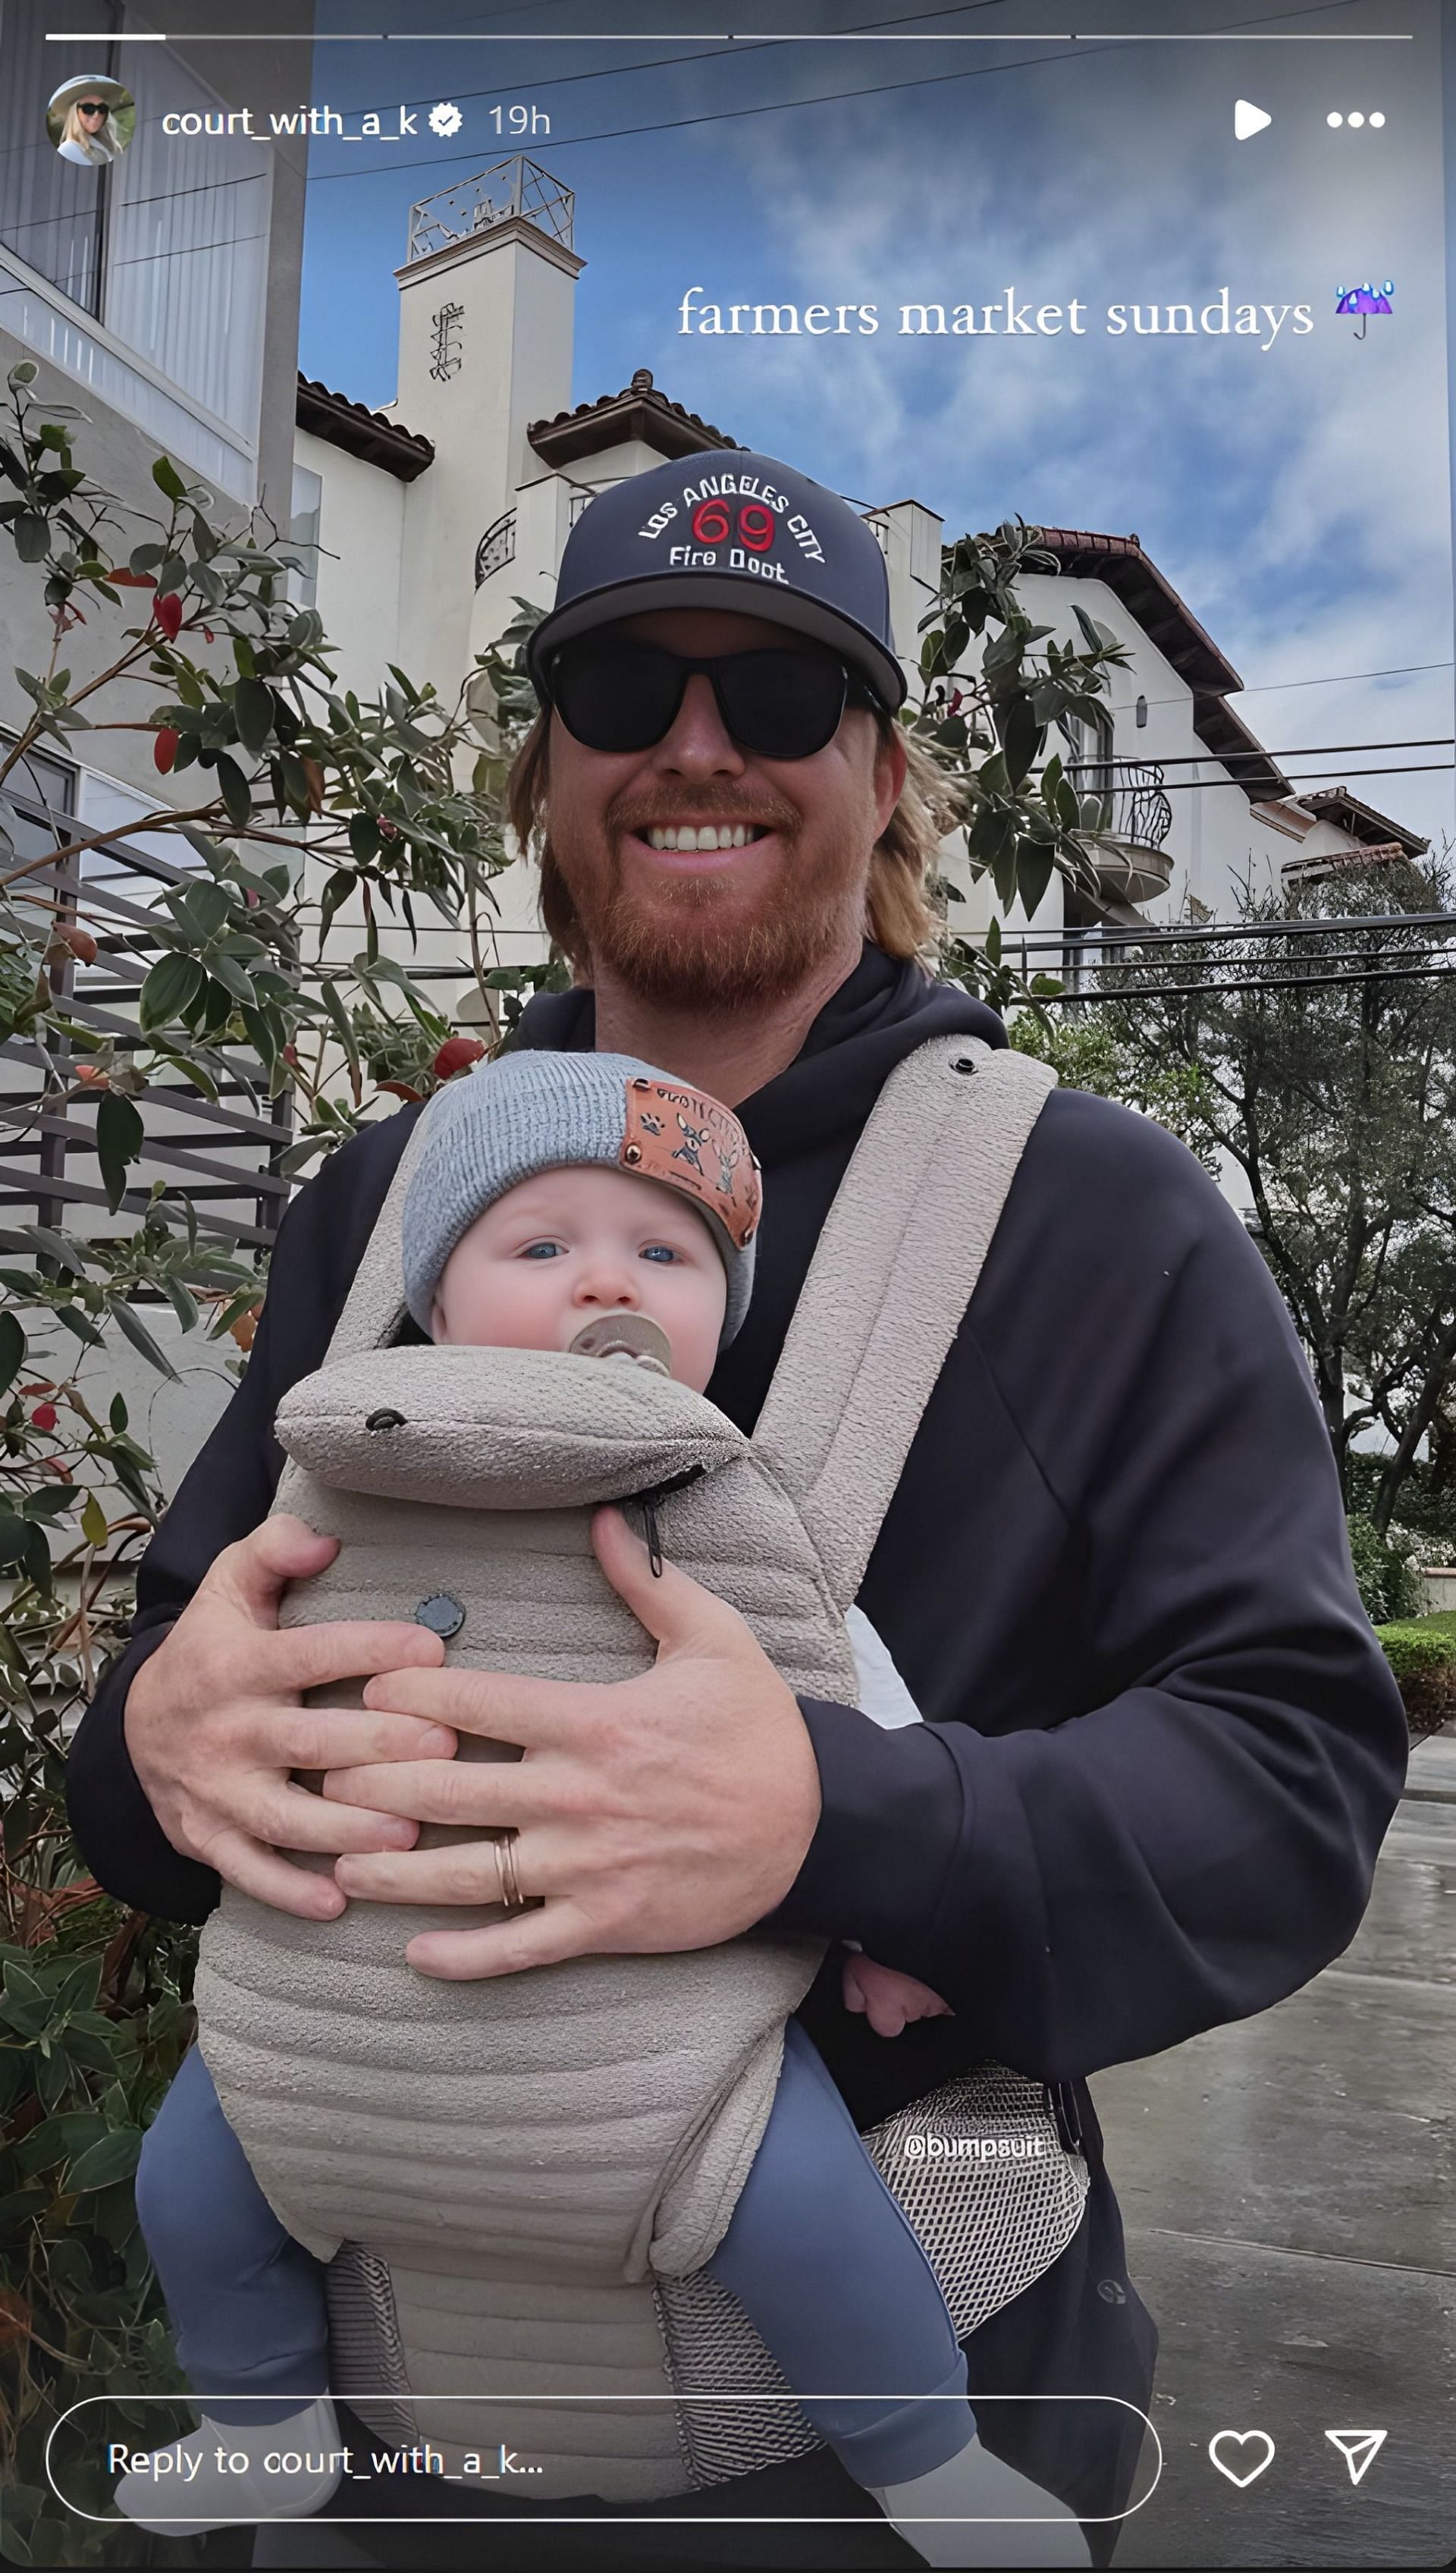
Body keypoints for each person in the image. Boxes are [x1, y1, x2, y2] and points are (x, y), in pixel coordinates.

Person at [69, 449, 1407, 2565]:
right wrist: (165, 1739)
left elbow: (1287, 1779)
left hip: (869, 2472)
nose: (700, 748)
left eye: (782, 699)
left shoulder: (1099, 1222)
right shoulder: (382, 1210)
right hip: (389, 2435)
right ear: (546, 774)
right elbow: (148, 1745)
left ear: (887, 777)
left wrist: (827, 1821)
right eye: (624, 688)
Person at [118, 1053, 1086, 2565]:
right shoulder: (329, 1483)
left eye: (665, 1253)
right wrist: (171, 1709)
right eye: (542, 1244)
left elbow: (855, 1706)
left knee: (809, 2213)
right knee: (194, 2178)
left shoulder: (722, 1504)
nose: (603, 1285)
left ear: (721, 1312)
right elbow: (221, 1654)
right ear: (435, 1301)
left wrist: (909, 1911)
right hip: (332, 1993)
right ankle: (265, 2430)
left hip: (655, 2024)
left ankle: (924, 2453)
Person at [49, 76, 129, 168]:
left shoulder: (106, 145)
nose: (96, 115)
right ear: (75, 112)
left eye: (102, 109)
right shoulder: (69, 149)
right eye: (89, 109)